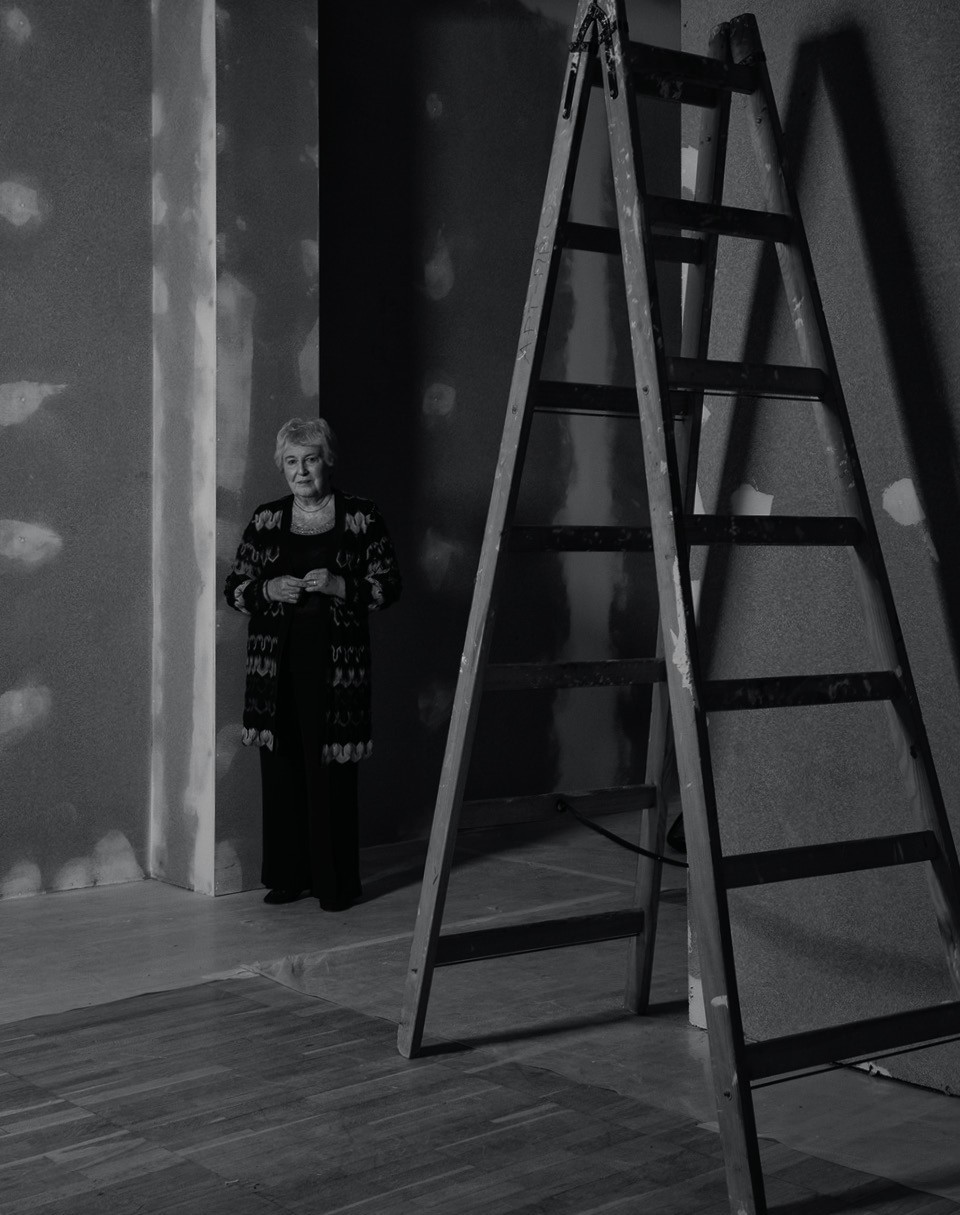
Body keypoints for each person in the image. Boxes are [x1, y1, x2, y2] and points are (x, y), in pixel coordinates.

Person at [223, 417, 401, 911]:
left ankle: (334, 883)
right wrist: (267, 589)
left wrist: (341, 585)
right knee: (281, 771)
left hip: (337, 670)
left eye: (311, 459)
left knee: (331, 774)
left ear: (328, 461)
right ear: (282, 467)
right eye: (291, 462)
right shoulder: (266, 520)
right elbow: (234, 588)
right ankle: (288, 877)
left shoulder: (362, 517)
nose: (301, 471)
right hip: (274, 669)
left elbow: (389, 585)